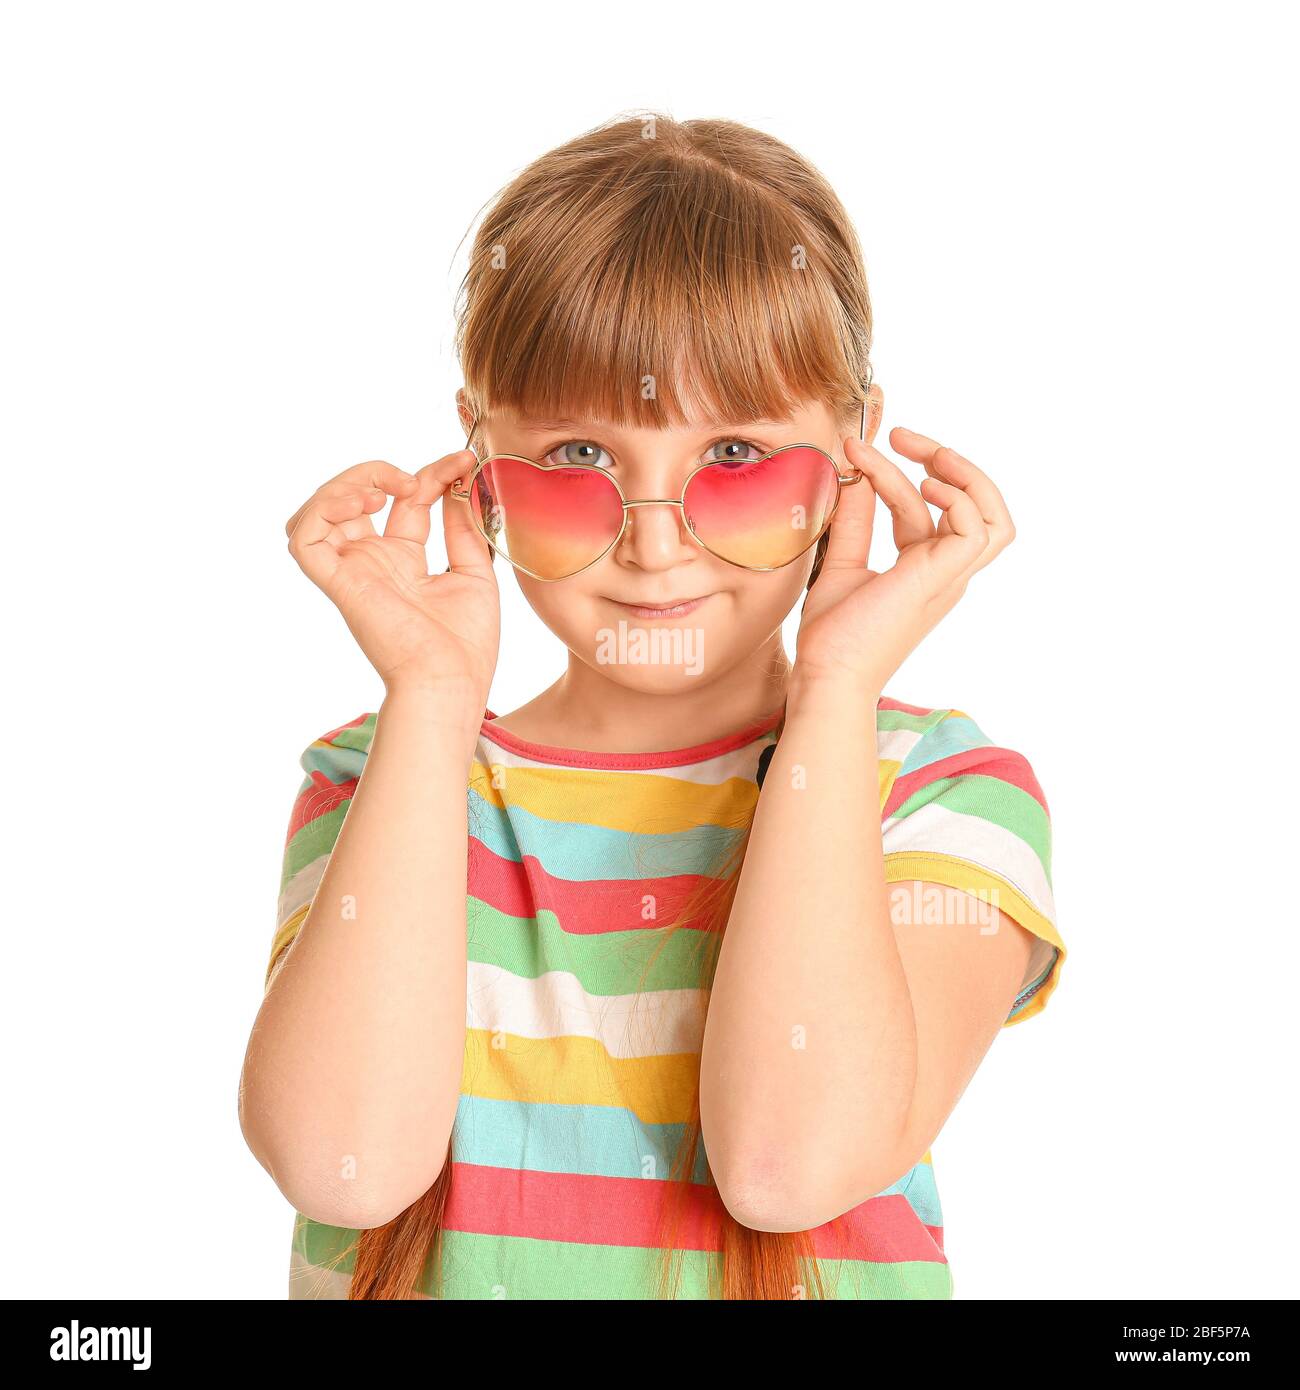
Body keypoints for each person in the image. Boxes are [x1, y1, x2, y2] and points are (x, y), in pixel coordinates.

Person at [239, 112, 1066, 1300]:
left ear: (852, 449)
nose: (657, 540)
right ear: (479, 459)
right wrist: (428, 697)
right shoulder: (379, 773)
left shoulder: (936, 796)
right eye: (579, 457)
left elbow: (788, 1168)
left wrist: (835, 688)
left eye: (735, 454)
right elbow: (343, 1165)